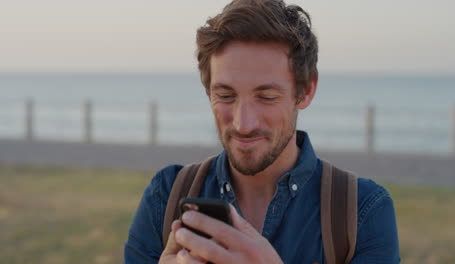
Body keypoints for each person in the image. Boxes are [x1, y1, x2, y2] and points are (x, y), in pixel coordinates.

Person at [124, 0, 400, 263]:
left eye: (266, 97)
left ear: (306, 91)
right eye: (226, 96)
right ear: (208, 92)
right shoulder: (166, 196)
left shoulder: (361, 211)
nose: (243, 125)